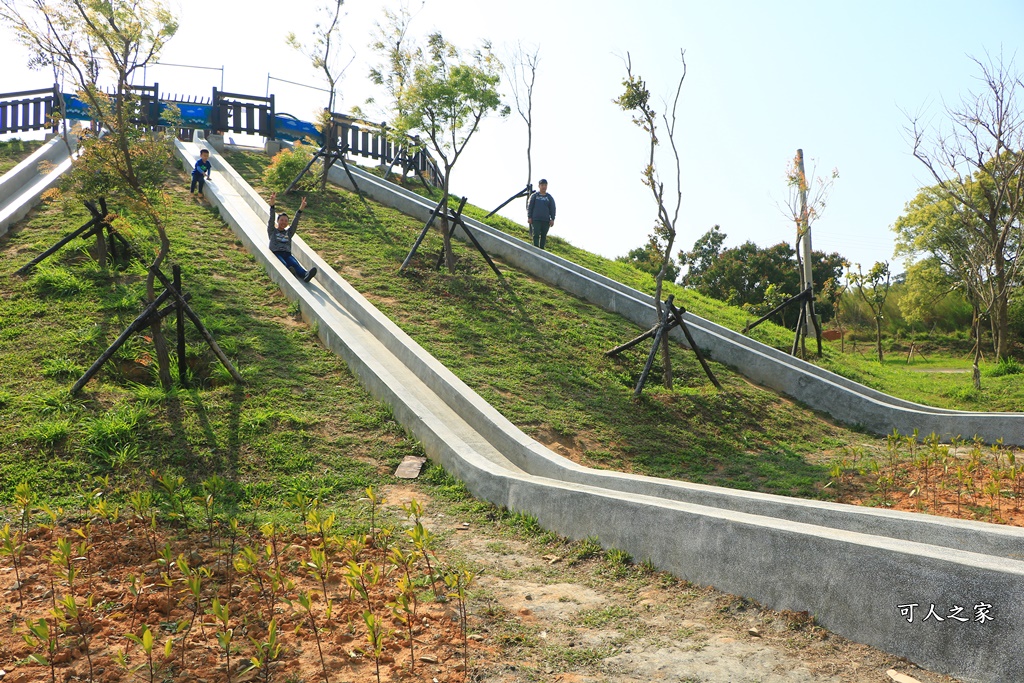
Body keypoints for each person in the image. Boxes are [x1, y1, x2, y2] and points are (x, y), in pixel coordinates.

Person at [268, 192, 318, 283]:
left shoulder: (289, 232)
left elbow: (295, 222)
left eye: (286, 221)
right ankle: (290, 272)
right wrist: (272, 205)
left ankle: (305, 275)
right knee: (283, 263)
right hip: (277, 253)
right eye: (281, 220)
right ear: (278, 221)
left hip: (287, 253)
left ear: (287, 223)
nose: (283, 222)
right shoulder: (272, 231)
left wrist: (301, 209)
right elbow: (271, 219)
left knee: (294, 263)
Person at [527, 178, 556, 249]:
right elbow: (530, 206)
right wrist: (529, 217)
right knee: (536, 233)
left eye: (545, 185)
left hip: (546, 220)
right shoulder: (534, 196)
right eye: (542, 185)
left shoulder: (549, 197)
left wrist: (552, 219)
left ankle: (542, 249)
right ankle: (535, 248)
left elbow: (553, 208)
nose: (544, 187)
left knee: (544, 235)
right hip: (536, 219)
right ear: (539, 186)